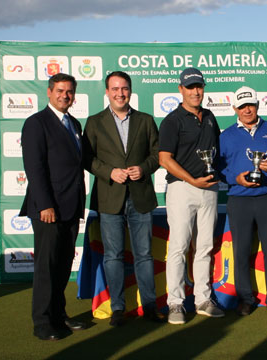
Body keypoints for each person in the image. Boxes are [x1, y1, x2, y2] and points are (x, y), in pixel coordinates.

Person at [83, 71, 162, 326]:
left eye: (124, 88)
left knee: (144, 255)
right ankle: (118, 308)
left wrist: (144, 168)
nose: (120, 93)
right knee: (113, 256)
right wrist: (109, 172)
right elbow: (87, 158)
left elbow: (157, 154)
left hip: (140, 196)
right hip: (109, 197)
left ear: (131, 90)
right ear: (107, 92)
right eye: (115, 89)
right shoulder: (94, 122)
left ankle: (149, 305)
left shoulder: (146, 120)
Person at [20, 73, 86, 340]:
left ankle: (59, 314)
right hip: (48, 209)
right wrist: (45, 204)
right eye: (60, 91)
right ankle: (43, 323)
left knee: (62, 265)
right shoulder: (36, 123)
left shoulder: (74, 123)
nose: (65, 96)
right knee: (47, 267)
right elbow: (34, 168)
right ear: (49, 92)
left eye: (69, 91)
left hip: (70, 207)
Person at [158, 67, 224, 324]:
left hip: (209, 189)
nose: (196, 91)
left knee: (205, 247)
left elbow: (217, 153)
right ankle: (175, 303)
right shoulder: (172, 120)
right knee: (179, 247)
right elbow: (164, 159)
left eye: (199, 86)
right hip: (182, 189)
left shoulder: (209, 116)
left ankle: (202, 299)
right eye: (190, 87)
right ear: (181, 89)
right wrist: (191, 179)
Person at [218, 86, 267, 316]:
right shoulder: (226, 135)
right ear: (235, 108)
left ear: (257, 105)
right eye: (242, 106)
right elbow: (219, 170)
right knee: (241, 251)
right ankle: (245, 298)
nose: (247, 110)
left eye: (250, 105)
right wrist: (235, 178)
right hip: (240, 200)